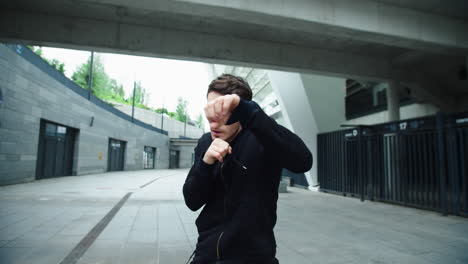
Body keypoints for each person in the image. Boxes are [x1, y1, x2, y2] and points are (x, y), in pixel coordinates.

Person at [183, 74, 312, 264]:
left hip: (254, 256)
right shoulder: (205, 142)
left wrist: (249, 112)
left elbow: (303, 161)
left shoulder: (263, 138)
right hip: (207, 254)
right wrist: (206, 162)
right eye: (210, 111)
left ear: (239, 113)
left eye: (222, 113)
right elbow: (192, 200)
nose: (213, 123)